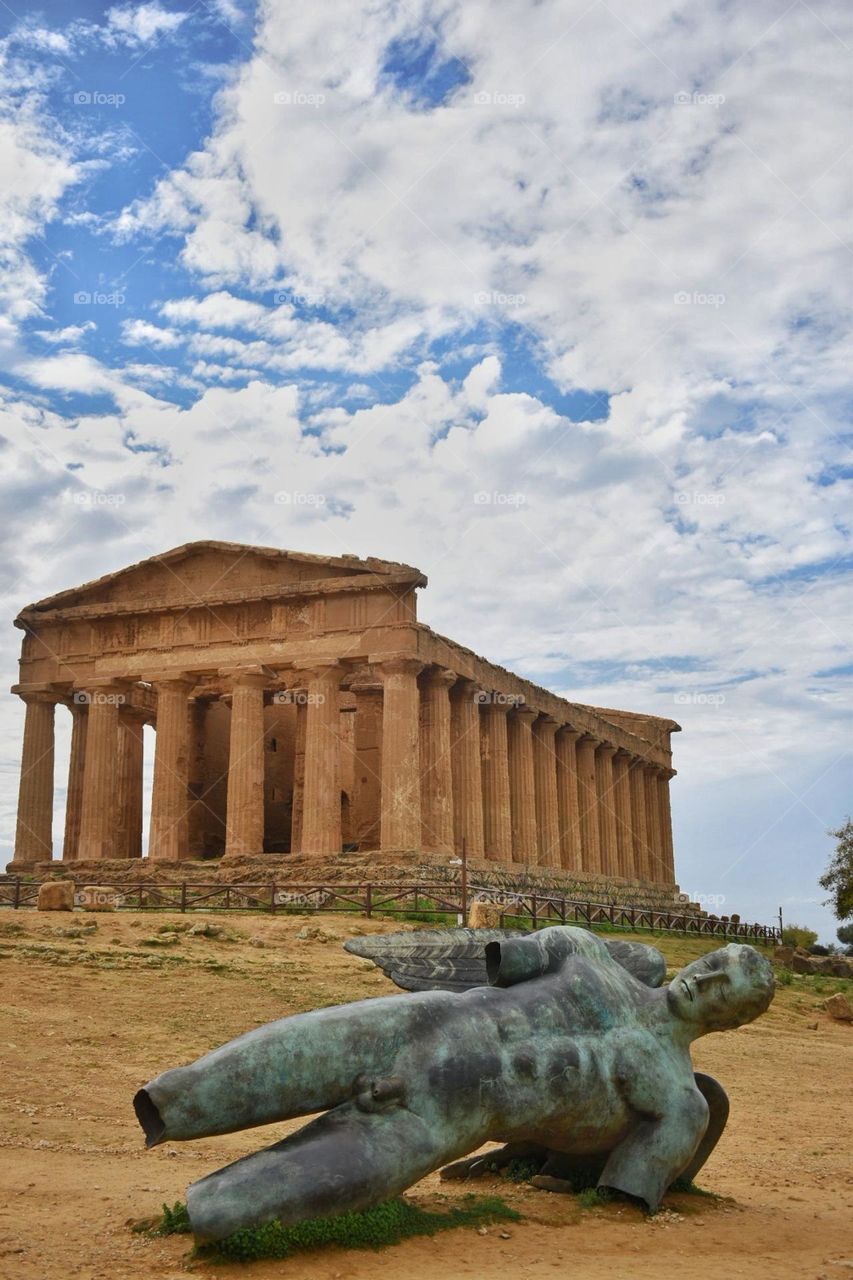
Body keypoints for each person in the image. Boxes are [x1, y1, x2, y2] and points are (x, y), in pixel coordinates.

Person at [134, 926, 774, 1241]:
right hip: (419, 1022)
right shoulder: (590, 952)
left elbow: (623, 1193)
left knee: (235, 1211)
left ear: (736, 1022)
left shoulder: (680, 1102)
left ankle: (202, 1214)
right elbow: (500, 958)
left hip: (456, 1111)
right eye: (715, 965)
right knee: (202, 1085)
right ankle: (169, 1108)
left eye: (727, 992)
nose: (707, 981)